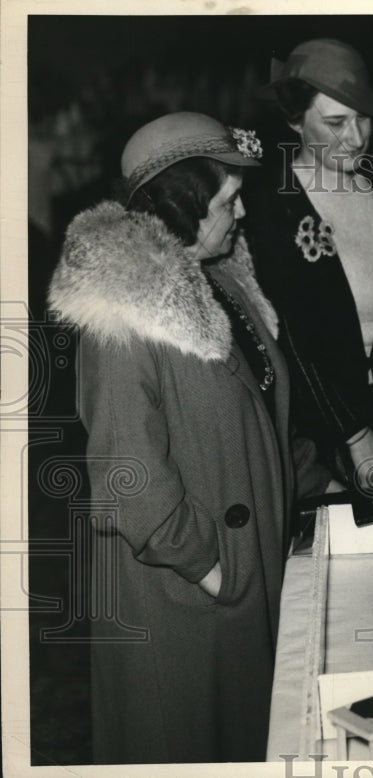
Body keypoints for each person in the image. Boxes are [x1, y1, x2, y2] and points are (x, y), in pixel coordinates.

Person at [47, 112, 337, 763]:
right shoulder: (120, 315)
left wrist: (324, 489)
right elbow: (128, 482)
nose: (242, 213)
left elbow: (264, 412)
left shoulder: (221, 279)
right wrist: (217, 572)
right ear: (184, 203)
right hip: (181, 601)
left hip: (244, 575)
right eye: (229, 200)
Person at [244, 38, 373, 495]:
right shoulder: (269, 208)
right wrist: (352, 434)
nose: (356, 138)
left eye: (363, 118)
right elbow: (289, 340)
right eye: (336, 123)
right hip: (317, 434)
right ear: (295, 120)